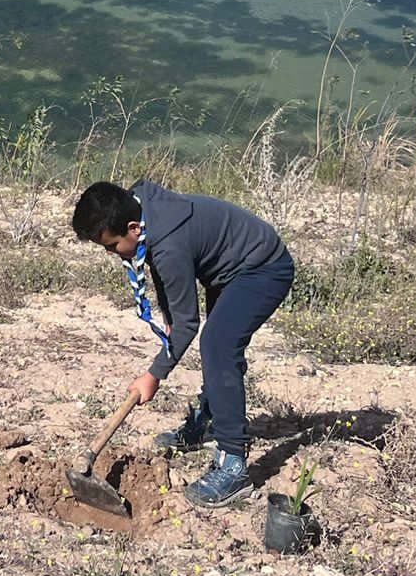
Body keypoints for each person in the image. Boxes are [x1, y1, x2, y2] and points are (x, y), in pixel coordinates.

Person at [72, 180, 295, 509]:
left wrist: (154, 375)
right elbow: (165, 277)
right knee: (218, 343)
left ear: (133, 228)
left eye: (113, 245)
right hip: (230, 267)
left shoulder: (168, 241)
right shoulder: (143, 213)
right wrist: (169, 315)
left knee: (218, 344)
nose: (110, 253)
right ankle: (210, 423)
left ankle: (233, 466)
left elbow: (186, 321)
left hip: (263, 268)